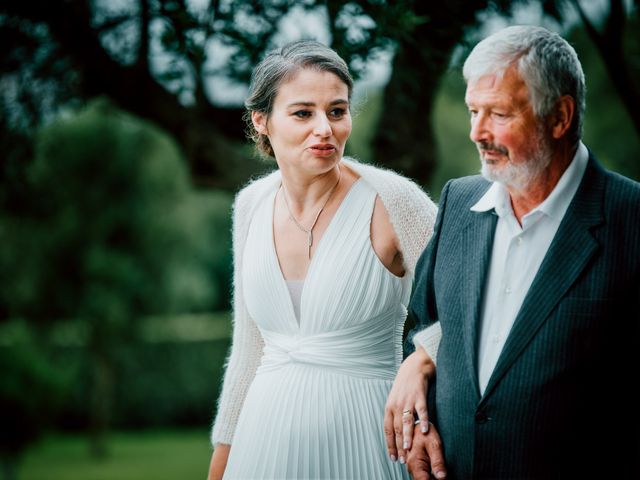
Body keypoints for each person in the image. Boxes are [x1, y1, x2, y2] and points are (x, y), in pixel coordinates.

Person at [385, 25, 640, 479]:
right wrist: (418, 371)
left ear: (559, 117)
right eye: (472, 111)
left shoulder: (631, 219)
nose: (478, 133)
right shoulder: (458, 203)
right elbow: (428, 321)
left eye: (498, 114)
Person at [207, 40, 438, 479]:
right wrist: (220, 466)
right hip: (263, 443)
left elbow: (469, 306)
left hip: (369, 440)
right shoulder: (250, 205)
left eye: (336, 111)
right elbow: (248, 351)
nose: (325, 129)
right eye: (302, 113)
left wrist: (421, 359)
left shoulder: (396, 202)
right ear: (262, 121)